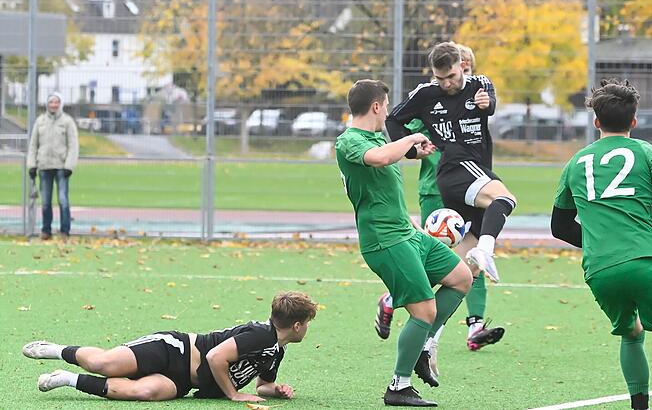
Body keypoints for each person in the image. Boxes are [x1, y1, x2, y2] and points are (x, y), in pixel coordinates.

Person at [550, 79, 652, 410]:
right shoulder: (647, 152)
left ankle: (639, 407)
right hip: (643, 260)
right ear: (634, 121)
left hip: (599, 269)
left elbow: (559, 227)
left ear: (596, 122)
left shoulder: (576, 162)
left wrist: (598, 242)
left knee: (632, 333)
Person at [336, 79, 473, 406]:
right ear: (376, 106)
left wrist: (411, 153)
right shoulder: (349, 140)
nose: (387, 112)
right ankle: (399, 386)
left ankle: (421, 345)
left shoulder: (375, 138)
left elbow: (384, 171)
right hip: (385, 240)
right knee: (424, 311)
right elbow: (379, 159)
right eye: (385, 106)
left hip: (408, 233)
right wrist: (411, 137)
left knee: (461, 277)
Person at [375, 44, 499, 384]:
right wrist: (414, 147)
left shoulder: (478, 88)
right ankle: (399, 304)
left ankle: (461, 329)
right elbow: (400, 123)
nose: (448, 83)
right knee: (441, 260)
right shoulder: (428, 98)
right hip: (437, 190)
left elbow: (489, 101)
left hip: (474, 184)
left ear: (465, 66)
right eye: (441, 78)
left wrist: (488, 103)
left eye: (457, 73)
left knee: (471, 264)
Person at [22, 291, 317, 403]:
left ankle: (67, 379)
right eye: (307, 323)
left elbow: (263, 386)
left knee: (144, 392)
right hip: (175, 349)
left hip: (182, 381)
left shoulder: (275, 350)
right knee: (104, 364)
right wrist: (233, 394)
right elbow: (215, 357)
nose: (307, 328)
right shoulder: (262, 334)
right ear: (297, 325)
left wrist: (277, 390)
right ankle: (56, 349)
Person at [26, 92, 79, 240]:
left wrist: (69, 166)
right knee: (45, 202)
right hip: (44, 167)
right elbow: (33, 145)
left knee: (63, 200)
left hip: (61, 167)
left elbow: (73, 145)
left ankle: (64, 231)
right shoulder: (40, 121)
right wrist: (32, 165)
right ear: (47, 104)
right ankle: (46, 231)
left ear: (60, 104)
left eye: (56, 102)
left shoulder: (67, 122)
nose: (54, 105)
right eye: (51, 102)